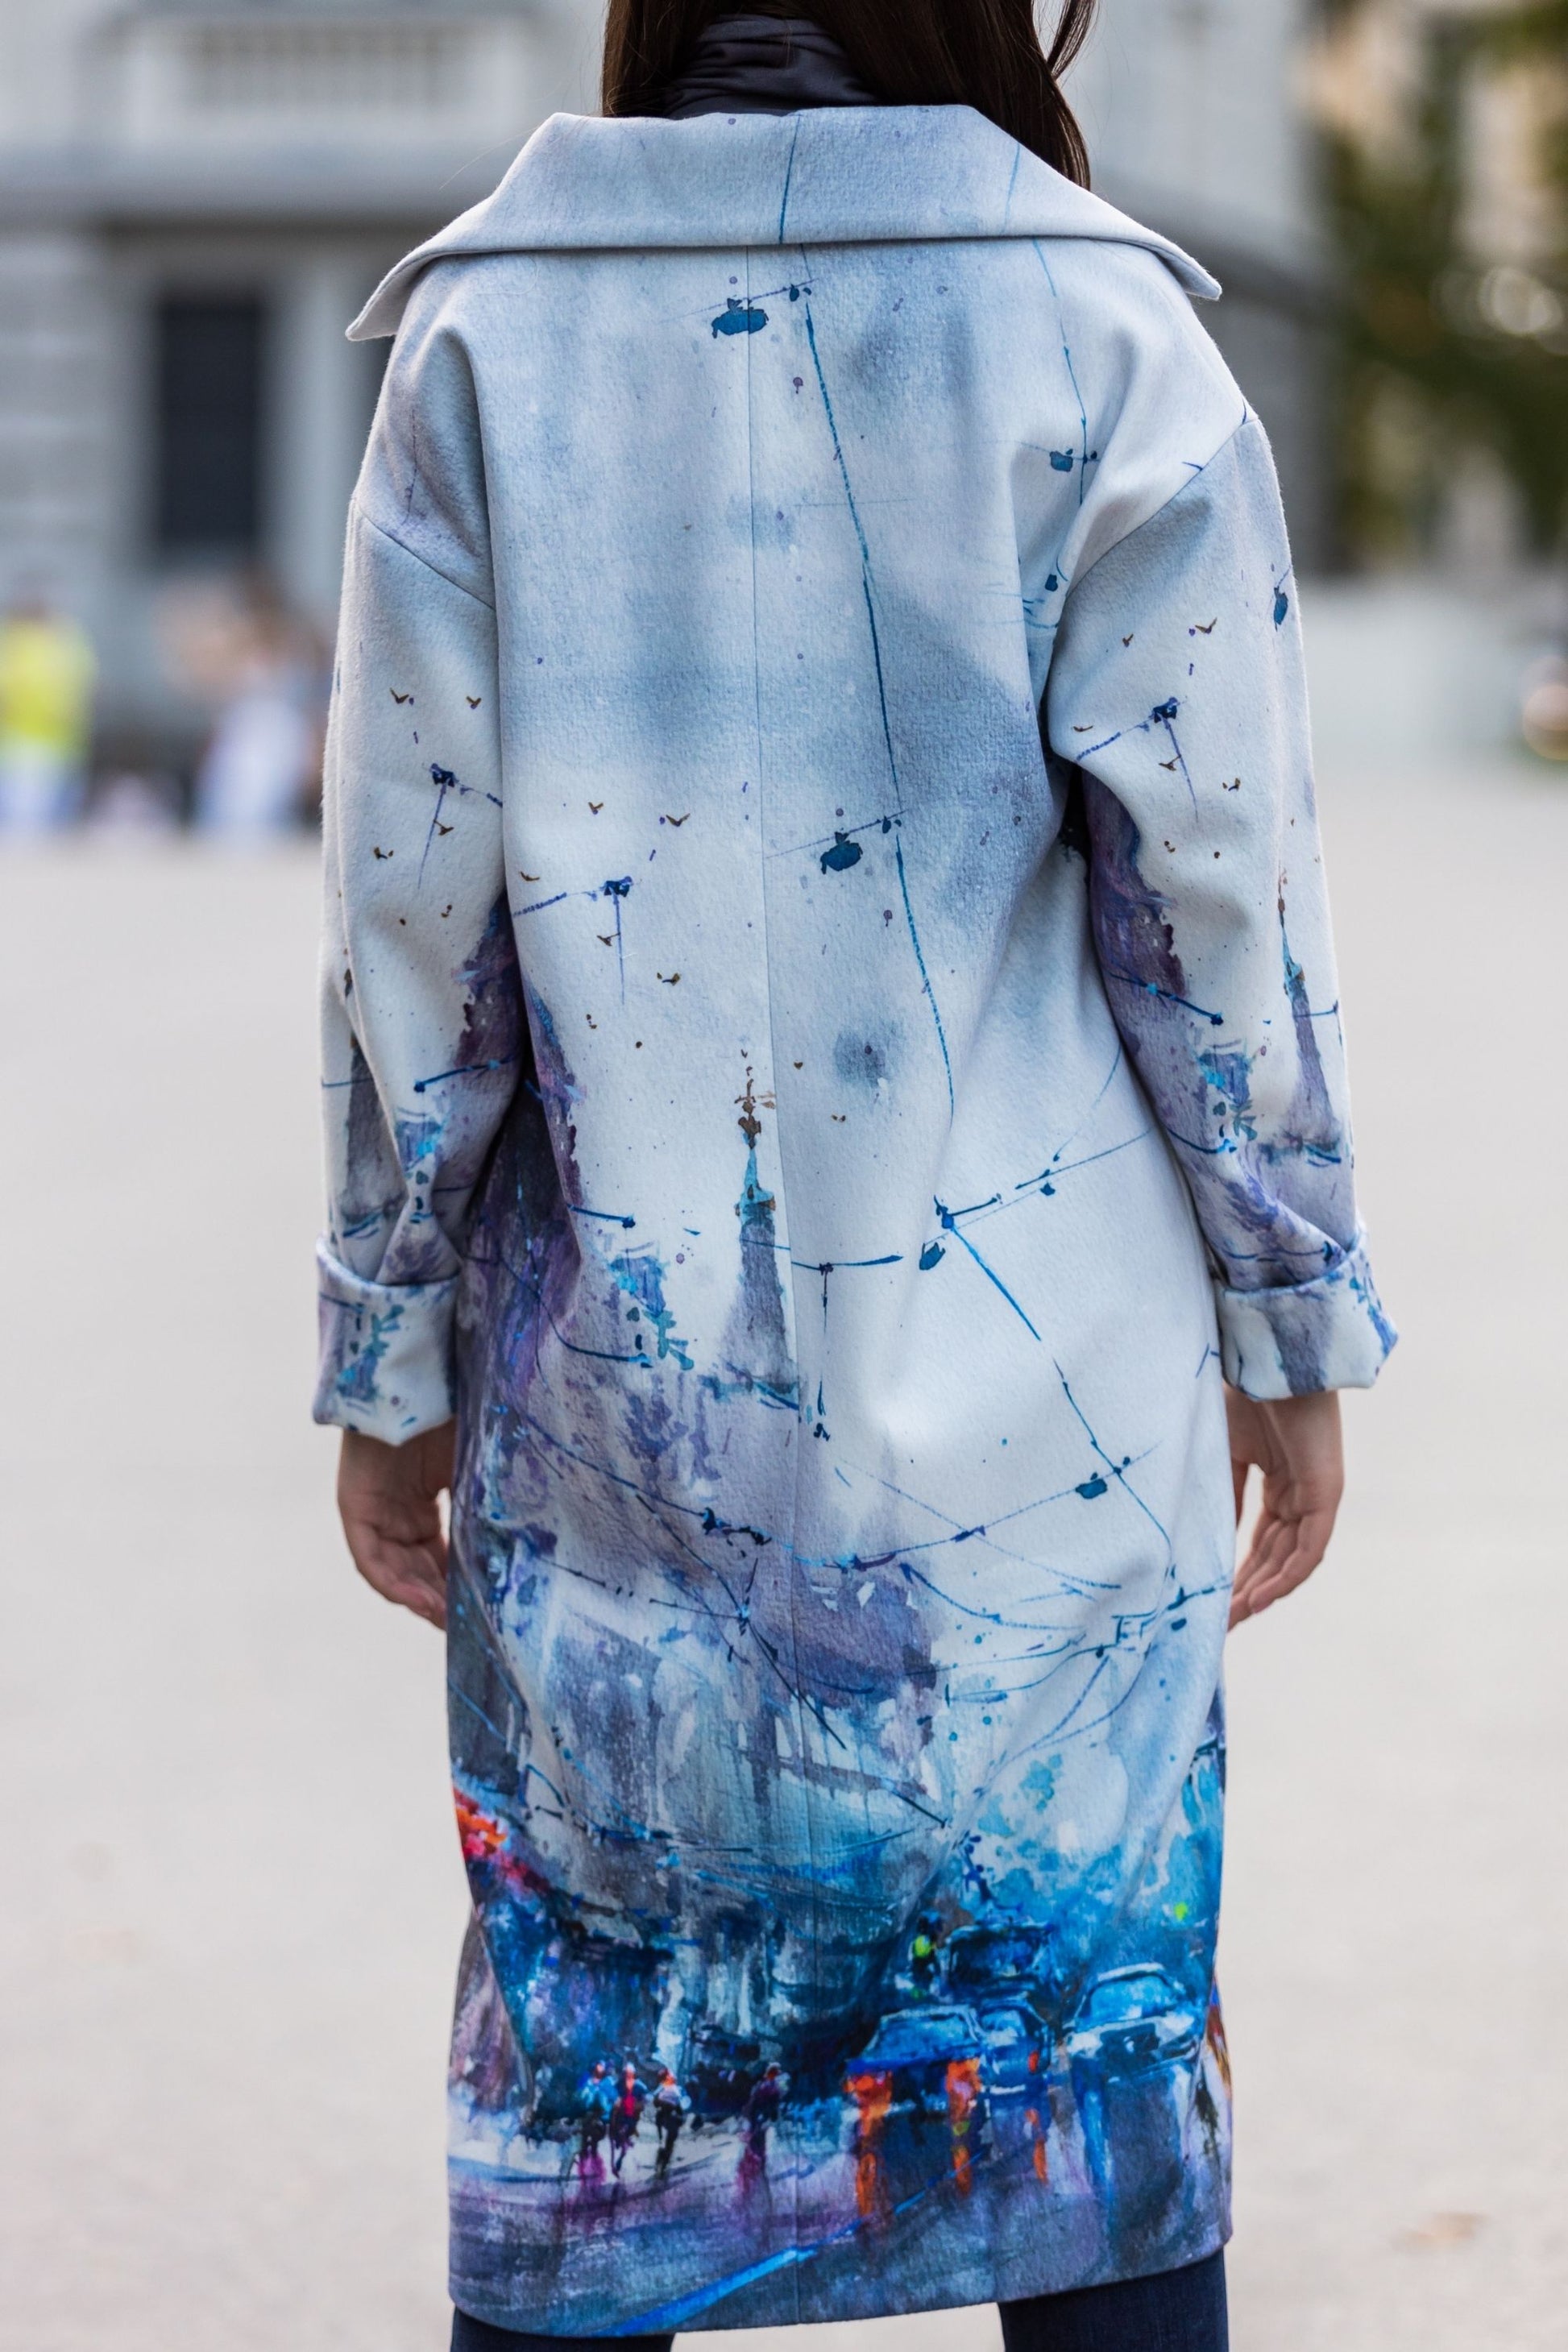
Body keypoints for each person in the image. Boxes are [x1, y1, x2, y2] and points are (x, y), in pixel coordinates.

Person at [313, 2, 1395, 2347]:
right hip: (1045, 1423)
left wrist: (388, 1360)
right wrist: (1290, 1318)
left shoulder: (482, 337)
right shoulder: (1105, 323)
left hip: (619, 1449)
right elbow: (1215, 902)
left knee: (595, 2136)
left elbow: (416, 928)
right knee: (1093, 2112)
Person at [0, 592, 94, 833]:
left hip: (55, 744)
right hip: (24, 744)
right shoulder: (20, 642)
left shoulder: (63, 640)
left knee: (43, 823)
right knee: (26, 823)